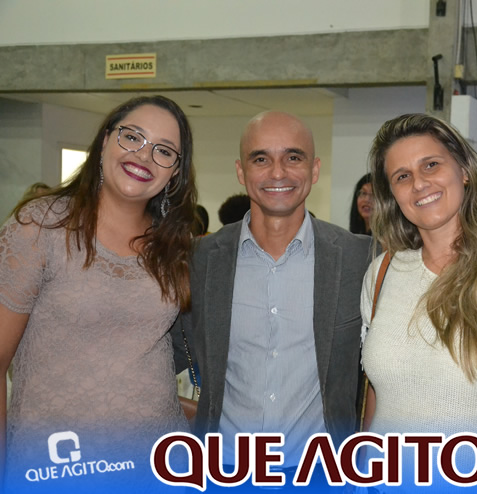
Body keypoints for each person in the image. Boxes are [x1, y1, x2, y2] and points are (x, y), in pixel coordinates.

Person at [0, 95, 197, 493]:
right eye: (132, 137)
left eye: (164, 151)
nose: (143, 156)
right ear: (106, 140)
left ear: (175, 172)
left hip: (158, 465)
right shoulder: (40, 227)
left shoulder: (172, 245)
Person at [171, 111, 372, 489]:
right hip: (223, 473)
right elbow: (161, 356)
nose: (278, 172)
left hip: (323, 474)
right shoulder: (201, 260)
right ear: (241, 171)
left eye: (293, 157)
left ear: (314, 170)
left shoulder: (359, 258)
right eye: (261, 158)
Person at [361, 113, 477, 489]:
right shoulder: (383, 271)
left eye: (431, 165)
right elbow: (377, 391)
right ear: (393, 195)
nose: (419, 183)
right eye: (402, 176)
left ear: (464, 171)